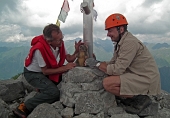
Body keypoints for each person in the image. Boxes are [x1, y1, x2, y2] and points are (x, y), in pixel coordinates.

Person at [85, 13, 161, 114]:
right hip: (138, 75)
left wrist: (97, 64)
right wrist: (98, 62)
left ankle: (140, 99)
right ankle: (131, 97)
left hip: (145, 78)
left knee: (108, 83)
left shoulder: (129, 43)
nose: (108, 34)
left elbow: (117, 69)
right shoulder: (122, 42)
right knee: (108, 76)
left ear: (120, 29)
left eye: (110, 30)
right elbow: (113, 63)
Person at [13, 24, 82, 117]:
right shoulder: (40, 48)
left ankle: (42, 89)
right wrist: (65, 68)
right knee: (53, 93)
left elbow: (69, 58)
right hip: (33, 74)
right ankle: (24, 107)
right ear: (49, 41)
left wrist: (76, 51)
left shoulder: (59, 44)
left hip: (43, 72)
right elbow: (45, 71)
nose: (62, 41)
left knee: (63, 76)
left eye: (62, 37)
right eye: (59, 40)